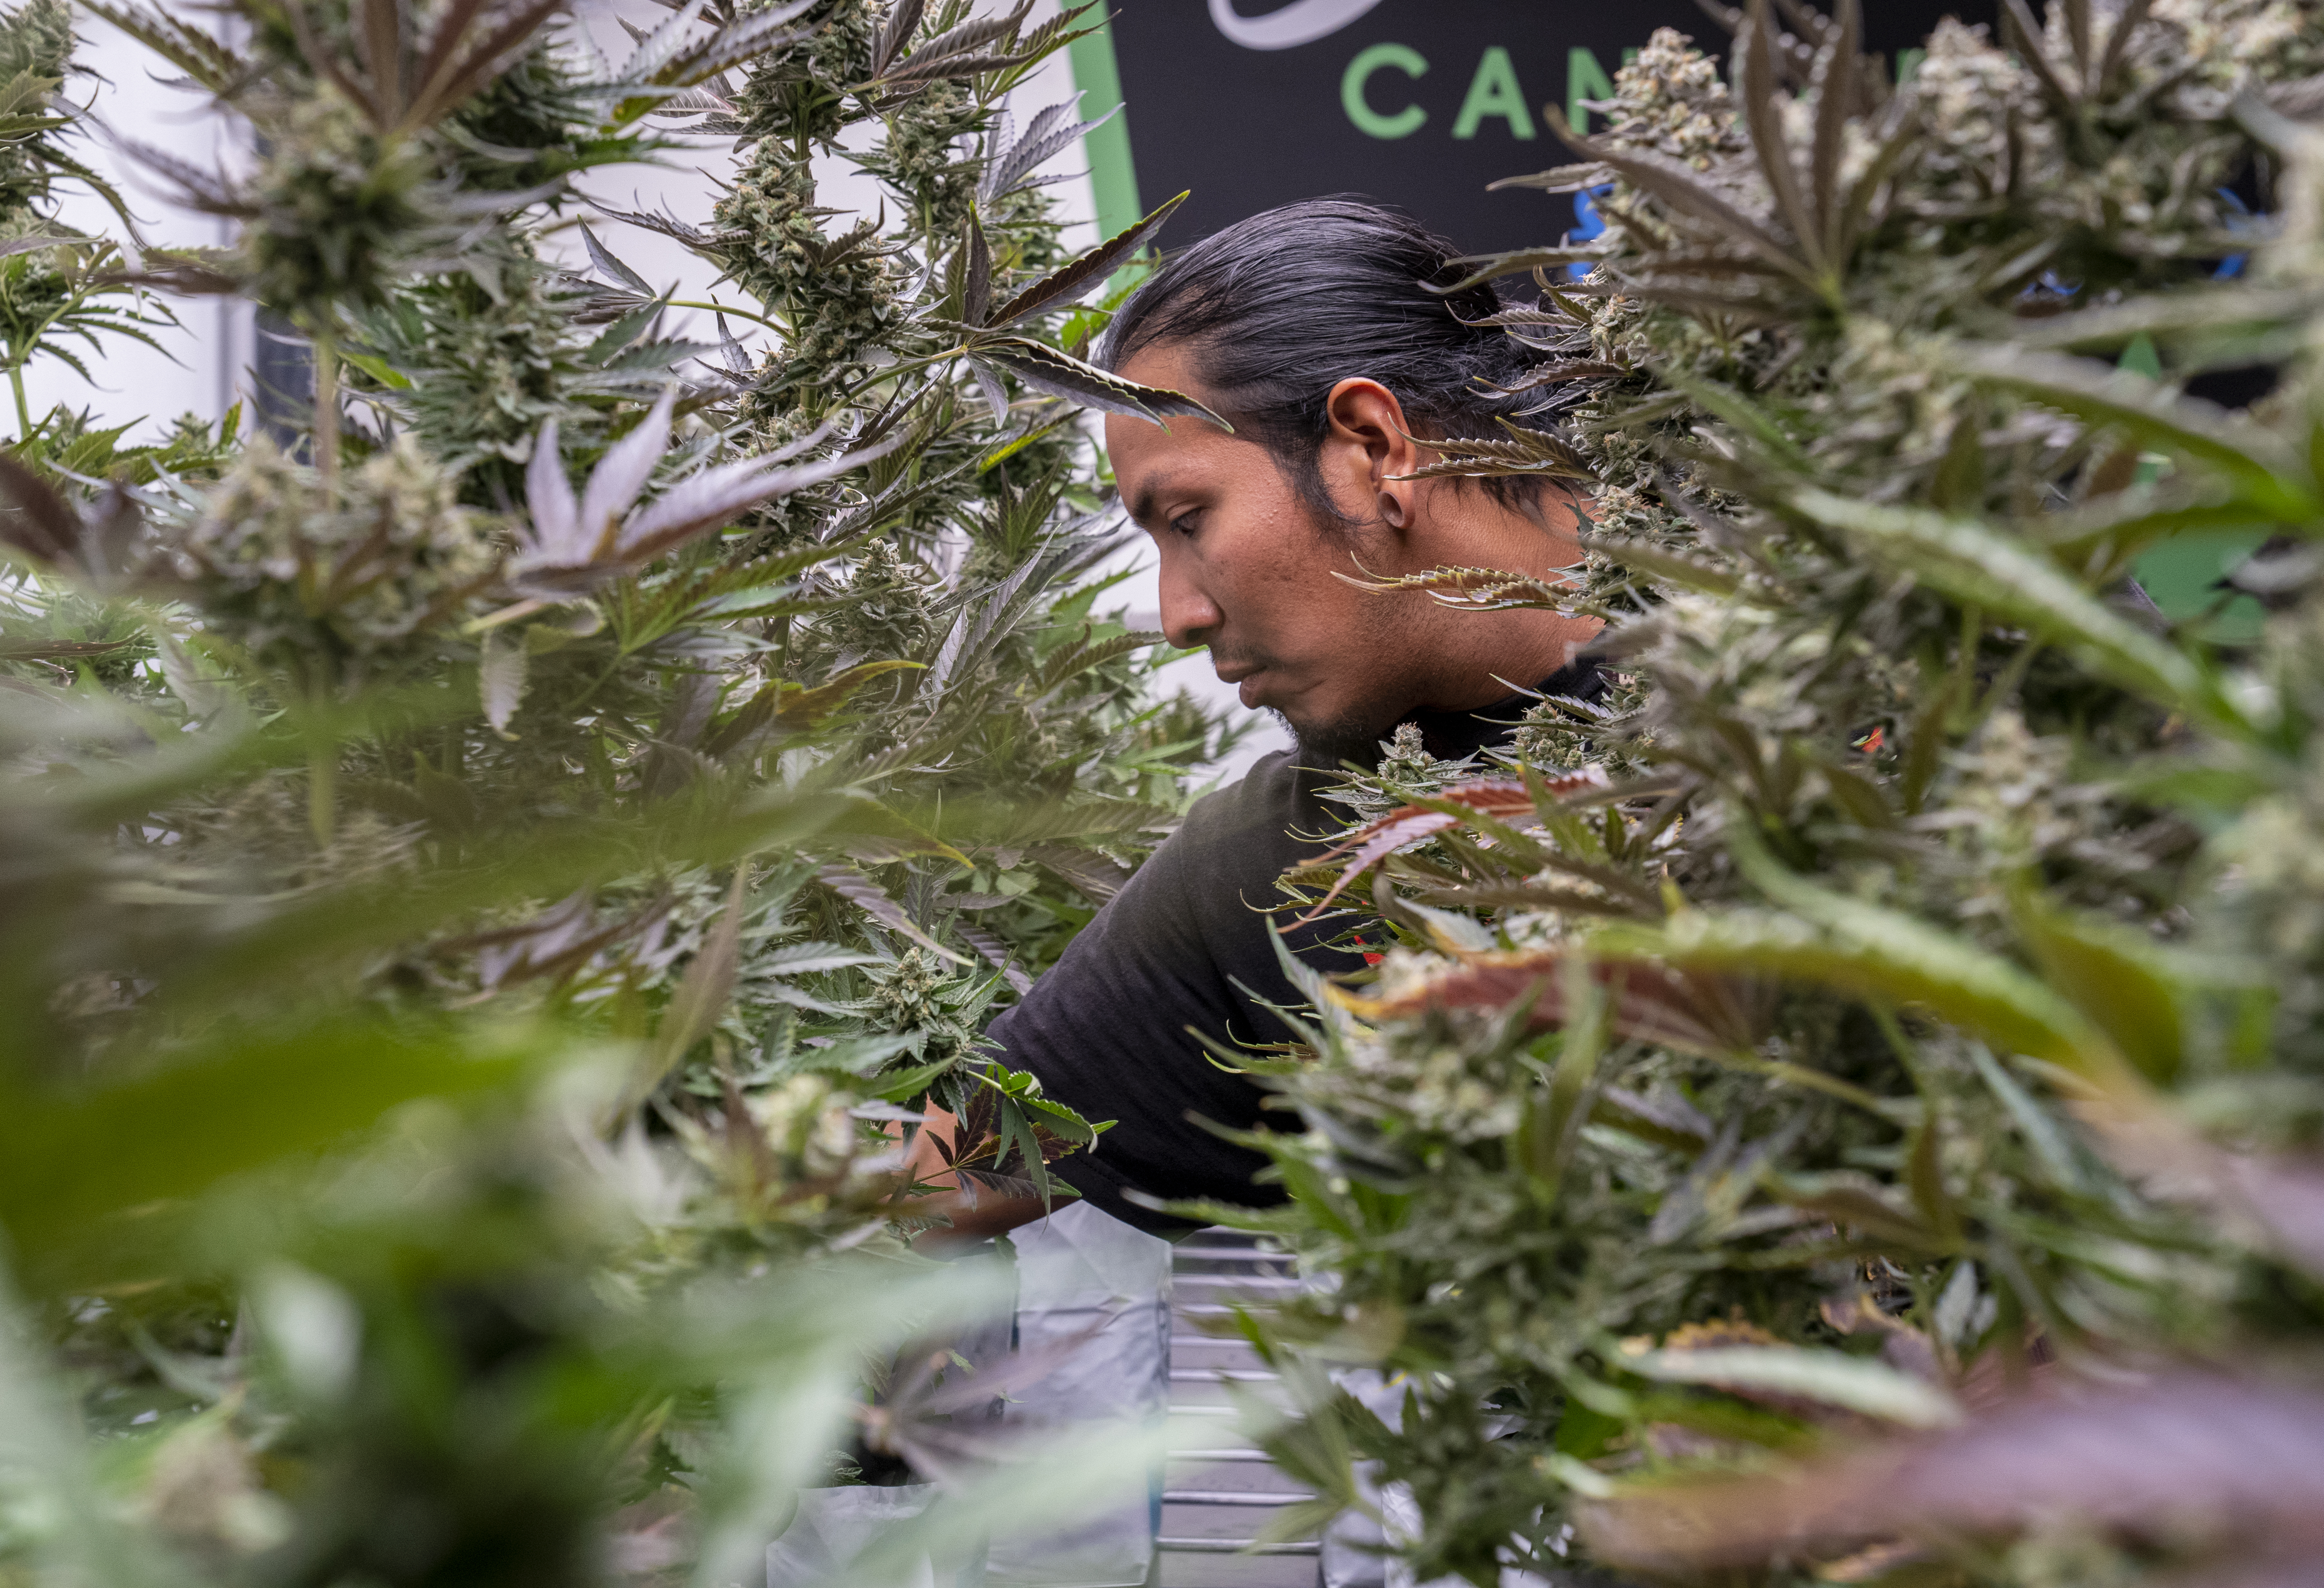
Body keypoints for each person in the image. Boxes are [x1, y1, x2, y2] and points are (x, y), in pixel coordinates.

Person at [905, 197, 1603, 1243]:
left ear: (1372, 448)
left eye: (1189, 521)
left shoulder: (1830, 621)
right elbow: (937, 1179)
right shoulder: (1283, 864)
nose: (1181, 614)